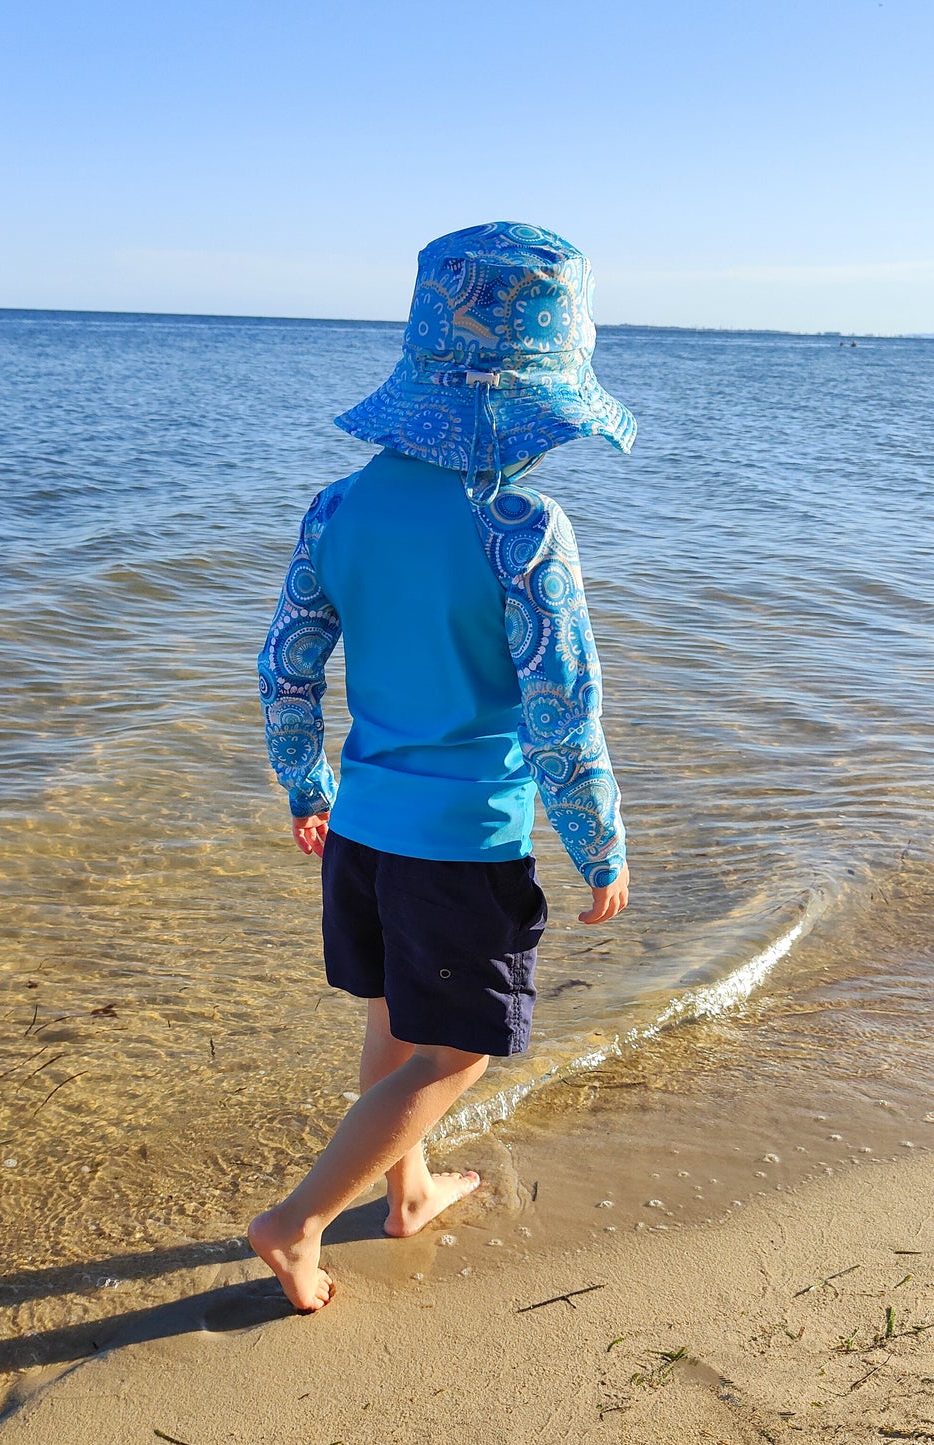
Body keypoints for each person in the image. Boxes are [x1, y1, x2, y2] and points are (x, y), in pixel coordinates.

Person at [250, 222, 634, 1312]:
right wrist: (598, 840)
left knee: (398, 1015)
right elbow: (562, 707)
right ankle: (297, 1221)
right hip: (461, 842)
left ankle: (406, 1191)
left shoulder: (339, 504)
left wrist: (305, 783)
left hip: (364, 827)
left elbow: (284, 667)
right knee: (459, 1051)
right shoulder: (518, 525)